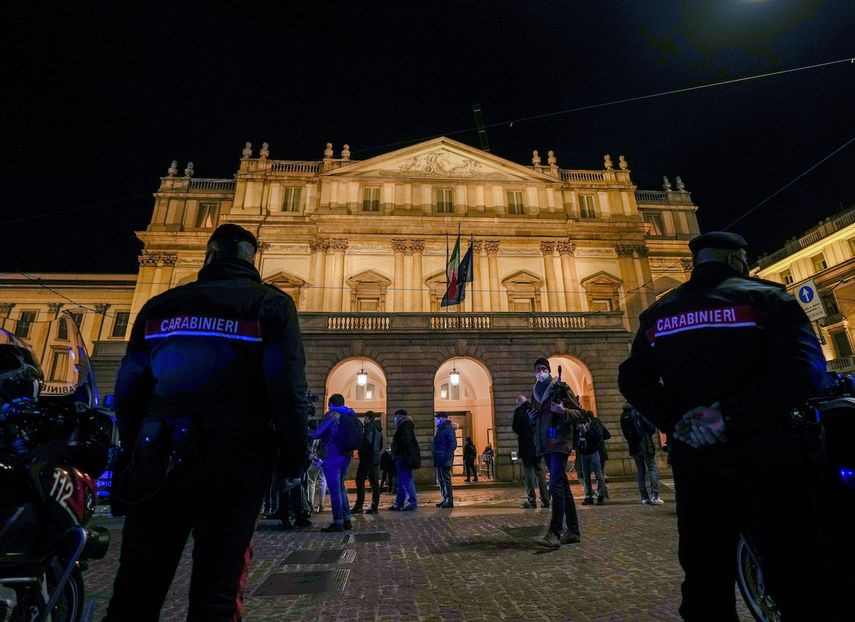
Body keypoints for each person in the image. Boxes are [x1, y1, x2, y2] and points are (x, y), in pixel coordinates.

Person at [618, 231, 853, 621]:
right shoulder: (768, 299)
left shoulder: (659, 314)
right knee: (794, 573)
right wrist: (728, 415)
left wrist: (678, 420)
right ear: (735, 260)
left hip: (698, 464)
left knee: (705, 580)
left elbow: (632, 379)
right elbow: (805, 370)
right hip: (769, 457)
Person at [105, 224, 309, 622]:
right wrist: (292, 460)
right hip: (235, 461)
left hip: (160, 458)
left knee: (134, 591)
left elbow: (129, 391)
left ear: (210, 255)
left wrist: (135, 450)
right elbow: (287, 389)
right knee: (217, 593)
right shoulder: (270, 304)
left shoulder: (160, 306)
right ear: (253, 258)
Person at [529, 357, 583, 548]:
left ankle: (554, 532)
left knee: (556, 487)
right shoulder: (535, 392)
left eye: (544, 368)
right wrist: (532, 418)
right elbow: (538, 420)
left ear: (549, 370)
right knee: (563, 486)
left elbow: (579, 413)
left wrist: (563, 411)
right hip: (545, 444)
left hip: (560, 443)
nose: (541, 371)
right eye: (538, 369)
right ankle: (574, 531)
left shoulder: (561, 387)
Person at [312, 393, 357, 532]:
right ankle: (346, 519)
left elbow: (318, 433)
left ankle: (338, 522)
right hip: (347, 455)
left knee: (334, 490)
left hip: (333, 455)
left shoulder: (331, 415)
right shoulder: (350, 415)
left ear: (330, 404)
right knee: (341, 488)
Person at [620, 402, 663, 505]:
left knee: (640, 471)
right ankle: (655, 496)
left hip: (633, 446)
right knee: (652, 468)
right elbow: (651, 428)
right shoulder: (639, 412)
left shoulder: (623, 415)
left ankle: (644, 497)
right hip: (645, 444)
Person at [513, 395, 548, 508]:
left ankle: (531, 500)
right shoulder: (535, 407)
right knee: (539, 471)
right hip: (537, 446)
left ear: (519, 402)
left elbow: (515, 428)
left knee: (528, 473)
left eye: (516, 403)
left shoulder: (519, 411)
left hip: (525, 446)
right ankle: (545, 499)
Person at [351, 411, 383, 515]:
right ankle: (374, 507)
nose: (364, 420)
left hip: (367, 458)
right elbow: (380, 445)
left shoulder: (369, 428)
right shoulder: (378, 429)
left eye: (365, 418)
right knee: (374, 483)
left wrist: (361, 449)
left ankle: (359, 506)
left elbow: (367, 443)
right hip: (375, 458)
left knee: (359, 480)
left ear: (368, 418)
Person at [388, 408, 419, 511]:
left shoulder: (405, 425)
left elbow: (406, 441)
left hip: (403, 457)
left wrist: (397, 449)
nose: (394, 419)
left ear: (399, 416)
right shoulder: (404, 425)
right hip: (402, 456)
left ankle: (411, 502)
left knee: (406, 480)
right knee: (401, 481)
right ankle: (399, 503)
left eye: (395, 417)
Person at [576, 412, 606, 505]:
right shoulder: (579, 427)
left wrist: (587, 431)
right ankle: (588, 496)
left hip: (593, 452)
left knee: (598, 474)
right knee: (586, 476)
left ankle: (600, 495)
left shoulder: (594, 424)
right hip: (583, 453)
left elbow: (598, 437)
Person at [432, 411, 457, 508]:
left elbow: (453, 444)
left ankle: (449, 500)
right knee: (441, 480)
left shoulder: (448, 428)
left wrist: (446, 457)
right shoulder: (441, 429)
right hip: (439, 458)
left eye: (438, 418)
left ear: (443, 418)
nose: (436, 420)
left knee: (446, 480)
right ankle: (445, 498)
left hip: (444, 459)